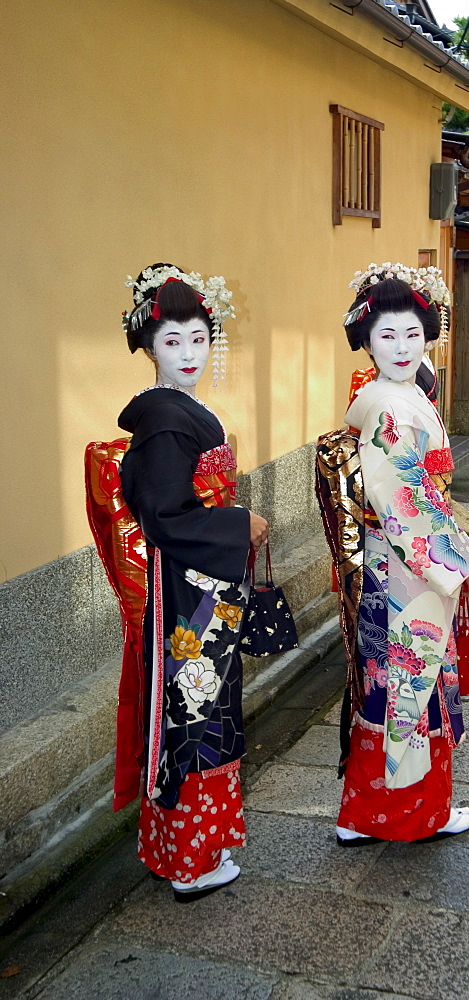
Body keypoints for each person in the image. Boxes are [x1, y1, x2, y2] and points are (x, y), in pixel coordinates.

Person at [86, 264, 268, 901]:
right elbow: (166, 517)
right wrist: (240, 523)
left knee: (198, 709)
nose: (189, 354)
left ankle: (179, 850)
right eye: (172, 342)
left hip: (198, 585)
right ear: (148, 347)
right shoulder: (165, 423)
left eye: (198, 339)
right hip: (187, 592)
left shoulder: (177, 412)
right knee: (194, 713)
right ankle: (190, 859)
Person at [316, 263, 469, 845]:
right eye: (387, 335)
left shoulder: (399, 393)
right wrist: (458, 560)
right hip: (406, 566)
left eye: (413, 332)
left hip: (391, 562)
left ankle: (361, 815)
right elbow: (403, 502)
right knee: (411, 682)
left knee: (390, 682)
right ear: (365, 342)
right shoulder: (391, 409)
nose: (402, 345)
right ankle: (412, 815)